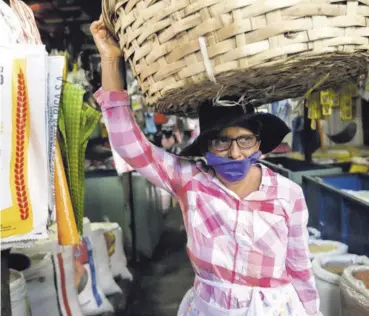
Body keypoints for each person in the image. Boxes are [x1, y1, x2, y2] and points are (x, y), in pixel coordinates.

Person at [90, 18, 321, 316]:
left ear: (259, 144)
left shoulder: (288, 194)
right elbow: (129, 147)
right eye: (221, 142)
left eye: (245, 140)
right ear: (206, 147)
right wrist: (110, 59)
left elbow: (300, 268)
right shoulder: (191, 181)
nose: (236, 153)